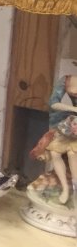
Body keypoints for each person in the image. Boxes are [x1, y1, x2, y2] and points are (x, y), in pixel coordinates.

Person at [31, 74, 77, 204]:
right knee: (55, 152)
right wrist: (73, 109)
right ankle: (65, 189)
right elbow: (54, 103)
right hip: (70, 122)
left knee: (72, 153)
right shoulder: (67, 80)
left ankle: (75, 188)